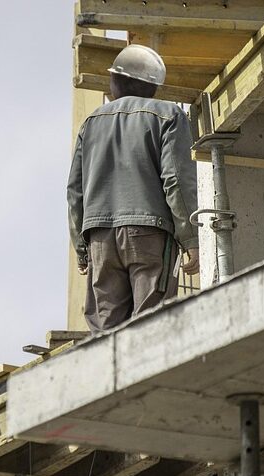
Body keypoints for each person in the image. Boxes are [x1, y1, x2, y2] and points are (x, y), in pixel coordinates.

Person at [67, 44, 199, 333]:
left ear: (115, 82)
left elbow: (74, 191)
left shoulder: (90, 123)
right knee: (149, 329)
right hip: (149, 234)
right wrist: (190, 239)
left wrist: (82, 248)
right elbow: (175, 180)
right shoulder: (168, 115)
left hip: (100, 240)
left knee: (105, 334)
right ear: (153, 88)